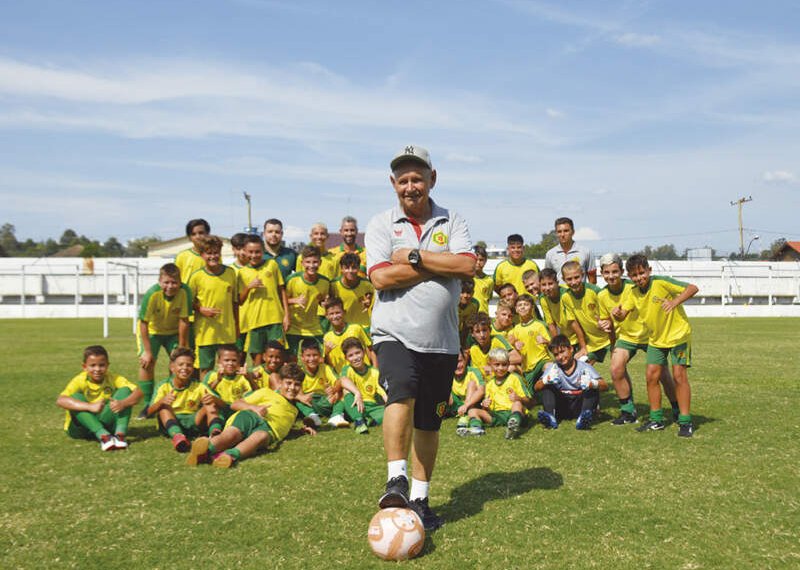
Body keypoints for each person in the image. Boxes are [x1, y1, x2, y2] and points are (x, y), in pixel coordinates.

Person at [366, 144, 475, 531]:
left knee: (429, 423)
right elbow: (379, 277)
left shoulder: (452, 220)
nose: (410, 186)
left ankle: (421, 501)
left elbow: (466, 265)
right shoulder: (381, 224)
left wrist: (412, 257)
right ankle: (396, 479)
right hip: (394, 332)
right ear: (393, 184)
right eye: (403, 180)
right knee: (402, 391)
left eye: (418, 178)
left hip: (442, 341)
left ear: (432, 179)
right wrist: (437, 265)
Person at [615, 255, 698, 437]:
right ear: (629, 276)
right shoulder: (633, 292)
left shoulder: (661, 282)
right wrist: (617, 314)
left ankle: (685, 421)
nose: (639, 278)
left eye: (642, 273)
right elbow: (623, 315)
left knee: (679, 376)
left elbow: (693, 288)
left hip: (678, 336)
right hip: (656, 339)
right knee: (651, 376)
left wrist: (675, 301)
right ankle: (656, 420)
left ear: (649, 270)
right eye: (634, 275)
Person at [596, 253, 678, 425]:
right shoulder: (602, 296)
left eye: (615, 271)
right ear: (601, 273)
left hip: (650, 335)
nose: (611, 276)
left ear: (621, 272)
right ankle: (628, 412)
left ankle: (676, 408)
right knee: (616, 367)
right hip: (626, 337)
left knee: (662, 373)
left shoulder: (633, 285)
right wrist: (611, 342)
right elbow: (609, 323)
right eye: (607, 272)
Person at [186, 362, 313, 468]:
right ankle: (206, 448)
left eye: (297, 384)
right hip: (250, 416)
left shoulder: (294, 410)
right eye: (288, 383)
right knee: (232, 435)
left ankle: (228, 456)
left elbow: (283, 427)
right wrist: (254, 408)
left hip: (268, 430)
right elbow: (235, 404)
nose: (292, 387)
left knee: (260, 437)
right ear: (280, 383)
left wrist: (300, 431)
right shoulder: (266, 392)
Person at [57, 345, 143, 451]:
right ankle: (104, 437)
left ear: (107, 365)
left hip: (105, 423)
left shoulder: (114, 378)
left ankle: (119, 436)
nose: (97, 369)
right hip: (81, 429)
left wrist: (123, 403)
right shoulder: (79, 380)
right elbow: (61, 400)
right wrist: (90, 406)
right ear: (84, 367)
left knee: (125, 391)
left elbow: (139, 392)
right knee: (75, 397)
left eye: (101, 365)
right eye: (92, 365)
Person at [135, 262, 192, 419]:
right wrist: (147, 351)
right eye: (166, 282)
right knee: (147, 363)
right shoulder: (152, 294)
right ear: (160, 282)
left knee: (178, 364)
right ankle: (149, 404)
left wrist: (181, 346)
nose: (170, 286)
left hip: (173, 332)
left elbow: (184, 320)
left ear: (180, 282)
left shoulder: (185, 292)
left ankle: (173, 399)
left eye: (174, 282)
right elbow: (144, 324)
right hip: (152, 332)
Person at [146, 348, 223, 452]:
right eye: (181, 364)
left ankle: (215, 435)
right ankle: (178, 437)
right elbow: (147, 413)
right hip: (172, 421)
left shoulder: (199, 385)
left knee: (210, 404)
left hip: (194, 421)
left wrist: (214, 399)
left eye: (189, 365)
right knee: (164, 407)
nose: (185, 368)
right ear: (172, 367)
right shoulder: (163, 386)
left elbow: (225, 405)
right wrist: (161, 401)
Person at [187, 235, 239, 376]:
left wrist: (237, 326)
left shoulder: (230, 273)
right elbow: (187, 302)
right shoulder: (196, 277)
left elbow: (235, 302)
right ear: (202, 255)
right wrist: (200, 309)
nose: (213, 256)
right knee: (206, 369)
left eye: (216, 252)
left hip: (227, 331)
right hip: (205, 332)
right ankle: (205, 396)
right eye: (209, 253)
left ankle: (225, 396)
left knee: (229, 368)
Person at [535, 335, 608, 430]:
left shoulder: (584, 367)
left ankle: (583, 419)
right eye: (556, 354)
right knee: (547, 387)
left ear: (571, 349)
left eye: (562, 352)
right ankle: (550, 417)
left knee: (592, 389)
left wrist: (592, 383)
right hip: (562, 406)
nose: (560, 357)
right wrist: (546, 380)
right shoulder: (553, 368)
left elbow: (605, 386)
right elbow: (536, 387)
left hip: (579, 405)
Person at [237, 234, 289, 366]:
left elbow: (282, 290)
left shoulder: (271, 265)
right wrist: (248, 287)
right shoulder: (242, 273)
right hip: (254, 322)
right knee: (258, 358)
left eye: (257, 252)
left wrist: (286, 315)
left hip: (275, 319)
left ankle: (277, 384)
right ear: (244, 252)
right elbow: (240, 300)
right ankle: (259, 385)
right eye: (251, 252)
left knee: (277, 356)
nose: (254, 255)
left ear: (262, 251)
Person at [465, 348, 528, 439]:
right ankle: (476, 429)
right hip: (498, 415)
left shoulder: (515, 378)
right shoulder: (489, 383)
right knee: (472, 411)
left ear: (509, 364)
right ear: (490, 365)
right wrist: (485, 405)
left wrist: (519, 398)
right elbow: (488, 409)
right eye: (497, 365)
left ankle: (514, 425)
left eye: (504, 365)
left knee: (517, 404)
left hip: (515, 413)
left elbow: (530, 401)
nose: (500, 368)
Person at [560, 261, 613, 363]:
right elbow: (574, 324)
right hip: (593, 343)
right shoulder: (566, 297)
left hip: (610, 337)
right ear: (563, 280)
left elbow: (611, 312)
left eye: (576, 277)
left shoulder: (595, 291)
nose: (574, 282)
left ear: (583, 275)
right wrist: (583, 347)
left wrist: (608, 321)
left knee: (617, 370)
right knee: (579, 367)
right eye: (569, 279)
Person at [285, 245, 331, 355]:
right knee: (292, 359)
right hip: (294, 326)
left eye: (315, 262)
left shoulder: (325, 282)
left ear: (320, 263)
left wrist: (324, 303)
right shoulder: (292, 280)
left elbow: (323, 300)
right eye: (308, 262)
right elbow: (281, 300)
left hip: (314, 326)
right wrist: (294, 300)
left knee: (320, 356)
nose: (311, 265)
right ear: (302, 263)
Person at [296, 338, 350, 428]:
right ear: (302, 357)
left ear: (320, 356)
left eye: (315, 355)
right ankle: (312, 417)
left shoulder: (325, 368)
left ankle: (336, 416)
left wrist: (334, 390)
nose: (312, 359)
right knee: (298, 400)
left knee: (342, 392)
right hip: (309, 402)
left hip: (325, 399)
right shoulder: (299, 372)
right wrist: (301, 397)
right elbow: (296, 391)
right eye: (308, 355)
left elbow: (338, 381)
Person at [339, 337, 386, 434]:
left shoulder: (374, 371)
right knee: (346, 390)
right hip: (354, 405)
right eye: (351, 355)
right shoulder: (347, 369)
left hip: (371, 407)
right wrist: (357, 393)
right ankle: (359, 421)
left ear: (364, 352)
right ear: (346, 358)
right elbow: (343, 380)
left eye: (357, 353)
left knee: (389, 414)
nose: (355, 357)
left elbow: (383, 392)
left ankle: (369, 420)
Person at [508, 294, 552, 397]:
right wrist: (515, 344)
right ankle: (538, 392)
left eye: (526, 304)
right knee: (529, 396)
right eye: (520, 305)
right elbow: (510, 347)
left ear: (532, 307)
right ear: (516, 309)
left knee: (549, 367)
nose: (523, 307)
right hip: (527, 368)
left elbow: (552, 345)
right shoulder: (515, 329)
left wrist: (545, 341)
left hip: (541, 361)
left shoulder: (540, 325)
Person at [322, 297, 376, 374]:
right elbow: (328, 364)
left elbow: (370, 350)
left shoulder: (356, 328)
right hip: (344, 378)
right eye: (331, 314)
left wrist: (375, 369)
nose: (335, 316)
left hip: (364, 374)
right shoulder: (327, 337)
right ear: (326, 316)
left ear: (344, 312)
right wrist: (326, 353)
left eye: (338, 312)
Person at [539, 267, 585, 350]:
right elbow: (551, 324)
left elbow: (573, 322)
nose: (547, 288)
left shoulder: (565, 294)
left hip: (579, 335)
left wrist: (583, 346)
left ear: (557, 283)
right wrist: (557, 344)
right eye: (543, 285)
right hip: (566, 337)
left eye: (550, 283)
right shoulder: (543, 299)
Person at [545, 217, 597, 285]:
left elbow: (592, 279)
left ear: (573, 232)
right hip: (560, 295)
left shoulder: (586, 252)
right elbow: (548, 278)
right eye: (559, 232)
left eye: (566, 231)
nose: (562, 235)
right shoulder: (550, 254)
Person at [330, 252, 374, 332]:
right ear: (341, 269)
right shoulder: (334, 285)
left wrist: (369, 301)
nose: (350, 271)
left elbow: (372, 297)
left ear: (358, 268)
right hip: (343, 328)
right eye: (347, 268)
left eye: (354, 267)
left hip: (363, 327)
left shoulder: (366, 284)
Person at [468, 312, 522, 376]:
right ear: (472, 334)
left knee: (512, 368)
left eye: (484, 330)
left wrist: (493, 365)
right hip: (486, 383)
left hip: (501, 378)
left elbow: (517, 358)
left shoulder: (497, 340)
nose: (482, 335)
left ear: (490, 330)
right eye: (477, 332)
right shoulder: (473, 350)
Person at [449, 350, 485, 436]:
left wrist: (466, 405)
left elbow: (481, 391)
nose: (458, 366)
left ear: (465, 360)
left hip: (473, 405)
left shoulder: (473, 372)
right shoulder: (448, 373)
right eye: (454, 363)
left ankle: (465, 416)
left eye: (460, 361)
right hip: (456, 406)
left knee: (472, 384)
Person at [175, 218, 210, 283]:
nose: (198, 237)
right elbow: (175, 279)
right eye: (193, 234)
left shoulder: (213, 256)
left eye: (201, 233)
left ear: (207, 234)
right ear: (189, 238)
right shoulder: (182, 256)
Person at [457, 279, 480, 347]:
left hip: (464, 333)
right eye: (462, 292)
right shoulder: (452, 303)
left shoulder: (475, 304)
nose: (465, 295)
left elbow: (469, 325)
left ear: (473, 293)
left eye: (468, 292)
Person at [472, 245, 494, 313]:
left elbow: (488, 298)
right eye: (475, 260)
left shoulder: (490, 281)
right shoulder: (464, 278)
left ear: (485, 261)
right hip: (469, 316)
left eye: (481, 260)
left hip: (483, 315)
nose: (478, 263)